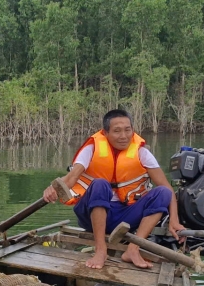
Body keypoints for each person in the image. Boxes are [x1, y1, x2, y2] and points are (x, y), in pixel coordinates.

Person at [42, 108, 184, 269]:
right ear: (105, 132)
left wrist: (174, 220)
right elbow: (71, 178)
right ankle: (100, 250)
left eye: (127, 130)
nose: (123, 136)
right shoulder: (92, 148)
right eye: (117, 131)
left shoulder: (141, 152)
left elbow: (167, 189)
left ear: (133, 130)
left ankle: (133, 249)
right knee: (101, 183)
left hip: (124, 215)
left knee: (163, 192)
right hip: (90, 214)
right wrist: (52, 188)